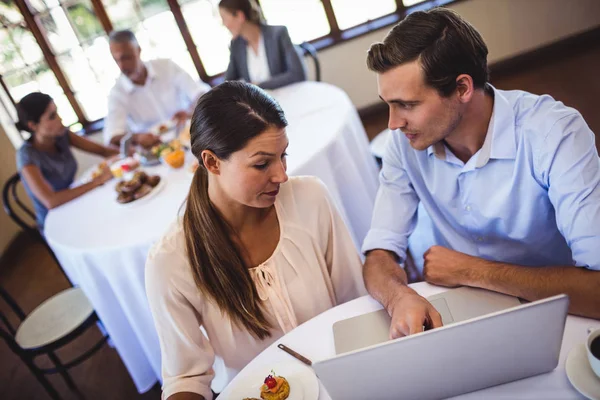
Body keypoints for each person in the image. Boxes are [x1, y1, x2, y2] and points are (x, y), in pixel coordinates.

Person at [361, 7, 600, 339]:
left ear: (462, 88)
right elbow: (379, 254)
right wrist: (398, 296)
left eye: (408, 105)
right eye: (388, 103)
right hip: (463, 312)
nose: (392, 123)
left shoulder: (555, 134)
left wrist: (472, 271)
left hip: (560, 311)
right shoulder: (403, 144)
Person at [145, 81, 365, 400]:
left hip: (344, 377)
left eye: (283, 155)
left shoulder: (311, 198)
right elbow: (186, 377)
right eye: (262, 164)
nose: (281, 175)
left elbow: (353, 300)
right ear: (212, 162)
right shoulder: (170, 260)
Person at [16, 92, 118, 230]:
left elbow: (104, 151)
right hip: (57, 222)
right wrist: (98, 181)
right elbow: (51, 201)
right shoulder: (27, 156)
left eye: (57, 112)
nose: (60, 119)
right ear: (32, 125)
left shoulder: (62, 135)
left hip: (76, 203)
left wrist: (134, 148)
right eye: (52, 116)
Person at [103, 29, 210, 148]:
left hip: (192, 137)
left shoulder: (166, 66)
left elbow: (201, 93)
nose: (122, 66)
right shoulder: (117, 93)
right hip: (156, 151)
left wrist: (190, 112)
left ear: (138, 50)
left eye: (126, 58)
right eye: (116, 60)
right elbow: (112, 137)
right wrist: (136, 137)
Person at [219, 0, 307, 90]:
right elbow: (228, 83)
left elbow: (297, 74)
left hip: (288, 94)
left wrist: (258, 86)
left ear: (239, 16)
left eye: (224, 18)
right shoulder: (236, 45)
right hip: (259, 102)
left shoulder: (278, 34)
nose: (223, 24)